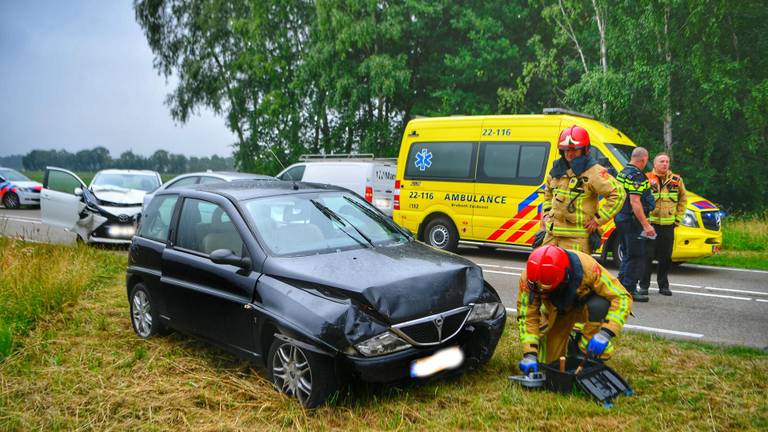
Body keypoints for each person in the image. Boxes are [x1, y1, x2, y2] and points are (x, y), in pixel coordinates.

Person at [516, 245, 632, 374]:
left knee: (599, 305)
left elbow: (622, 297)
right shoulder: (528, 279)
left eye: (547, 291)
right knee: (550, 366)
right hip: (558, 311)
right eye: (540, 293)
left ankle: (586, 354)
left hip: (584, 307)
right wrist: (530, 354)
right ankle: (569, 348)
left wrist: (605, 333)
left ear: (564, 276)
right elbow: (527, 316)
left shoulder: (588, 267)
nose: (543, 294)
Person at [540, 125, 624, 253]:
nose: (569, 153)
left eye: (574, 149)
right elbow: (548, 195)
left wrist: (597, 220)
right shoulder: (557, 170)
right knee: (544, 270)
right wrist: (546, 214)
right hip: (551, 236)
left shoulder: (593, 171)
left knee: (575, 272)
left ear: (584, 149)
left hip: (576, 240)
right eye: (565, 149)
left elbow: (618, 194)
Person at [640, 153, 687, 296]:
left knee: (665, 257)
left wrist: (678, 219)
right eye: (662, 161)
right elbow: (638, 200)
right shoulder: (646, 178)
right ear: (654, 164)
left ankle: (663, 286)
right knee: (647, 256)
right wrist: (643, 221)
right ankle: (644, 286)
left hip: (668, 225)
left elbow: (683, 200)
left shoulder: (676, 180)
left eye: (667, 161)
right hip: (651, 225)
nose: (665, 164)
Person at [614, 147, 656, 303]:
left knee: (627, 253)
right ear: (643, 160)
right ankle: (629, 289)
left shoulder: (622, 173)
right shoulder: (637, 176)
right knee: (636, 255)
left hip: (621, 218)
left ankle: (621, 284)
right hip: (632, 221)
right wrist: (646, 225)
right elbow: (635, 202)